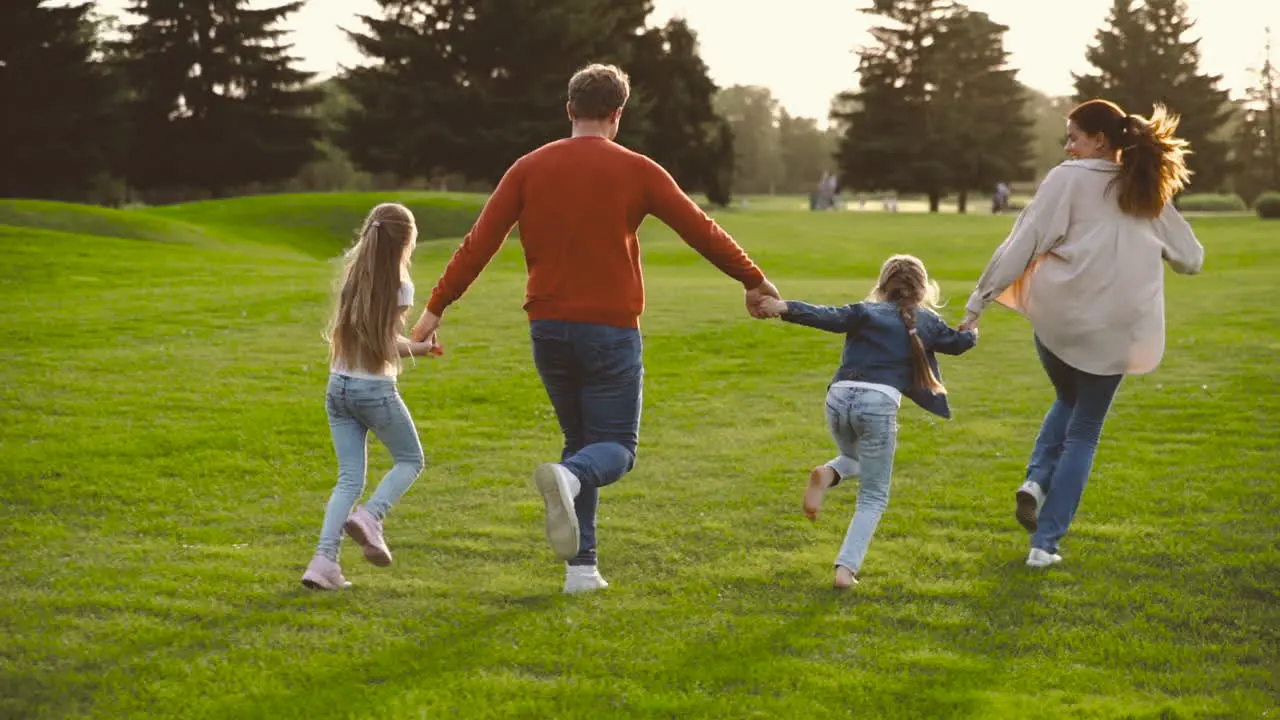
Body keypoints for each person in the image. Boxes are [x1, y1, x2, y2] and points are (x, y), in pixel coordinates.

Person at [409, 64, 780, 594]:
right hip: (609, 330)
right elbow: (702, 229)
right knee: (615, 450)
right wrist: (753, 280)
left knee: (580, 442)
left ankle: (581, 569)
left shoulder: (528, 168)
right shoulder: (639, 169)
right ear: (618, 114)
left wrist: (434, 309)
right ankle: (574, 484)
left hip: (548, 329)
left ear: (569, 110)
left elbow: (479, 242)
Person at [960, 99, 1204, 568]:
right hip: (1116, 331)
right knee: (1084, 431)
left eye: (1073, 136)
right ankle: (1044, 545)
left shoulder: (1065, 179)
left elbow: (1023, 244)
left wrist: (978, 303)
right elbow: (1191, 258)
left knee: (1067, 400)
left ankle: (1035, 480)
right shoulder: (1147, 188)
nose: (1068, 146)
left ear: (1100, 140)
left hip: (1061, 320)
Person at [758, 255, 977, 588]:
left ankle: (827, 474)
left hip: (838, 396)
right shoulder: (926, 321)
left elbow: (825, 315)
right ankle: (846, 570)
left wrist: (783, 306)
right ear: (922, 289)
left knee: (853, 460)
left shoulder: (864, 311)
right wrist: (972, 329)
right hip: (878, 402)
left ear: (883, 285)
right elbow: (958, 343)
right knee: (873, 496)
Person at [301, 203, 441, 590]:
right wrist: (424, 348)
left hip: (338, 387)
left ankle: (322, 562)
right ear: (407, 243)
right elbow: (385, 345)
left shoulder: (352, 279)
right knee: (410, 460)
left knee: (348, 480)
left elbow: (369, 339)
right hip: (373, 389)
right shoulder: (401, 286)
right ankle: (372, 516)